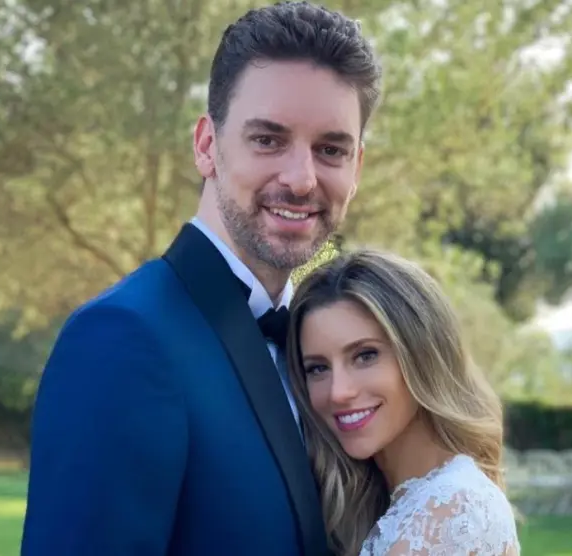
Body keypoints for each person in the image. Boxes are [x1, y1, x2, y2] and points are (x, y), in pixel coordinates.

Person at [20, 2, 382, 554]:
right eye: (268, 140)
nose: (301, 179)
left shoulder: (322, 352)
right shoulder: (122, 339)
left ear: (356, 169)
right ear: (207, 146)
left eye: (330, 150)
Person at [285, 249, 521, 556]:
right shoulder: (401, 502)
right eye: (318, 368)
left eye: (365, 355)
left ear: (423, 355)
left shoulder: (452, 511)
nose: (338, 392)